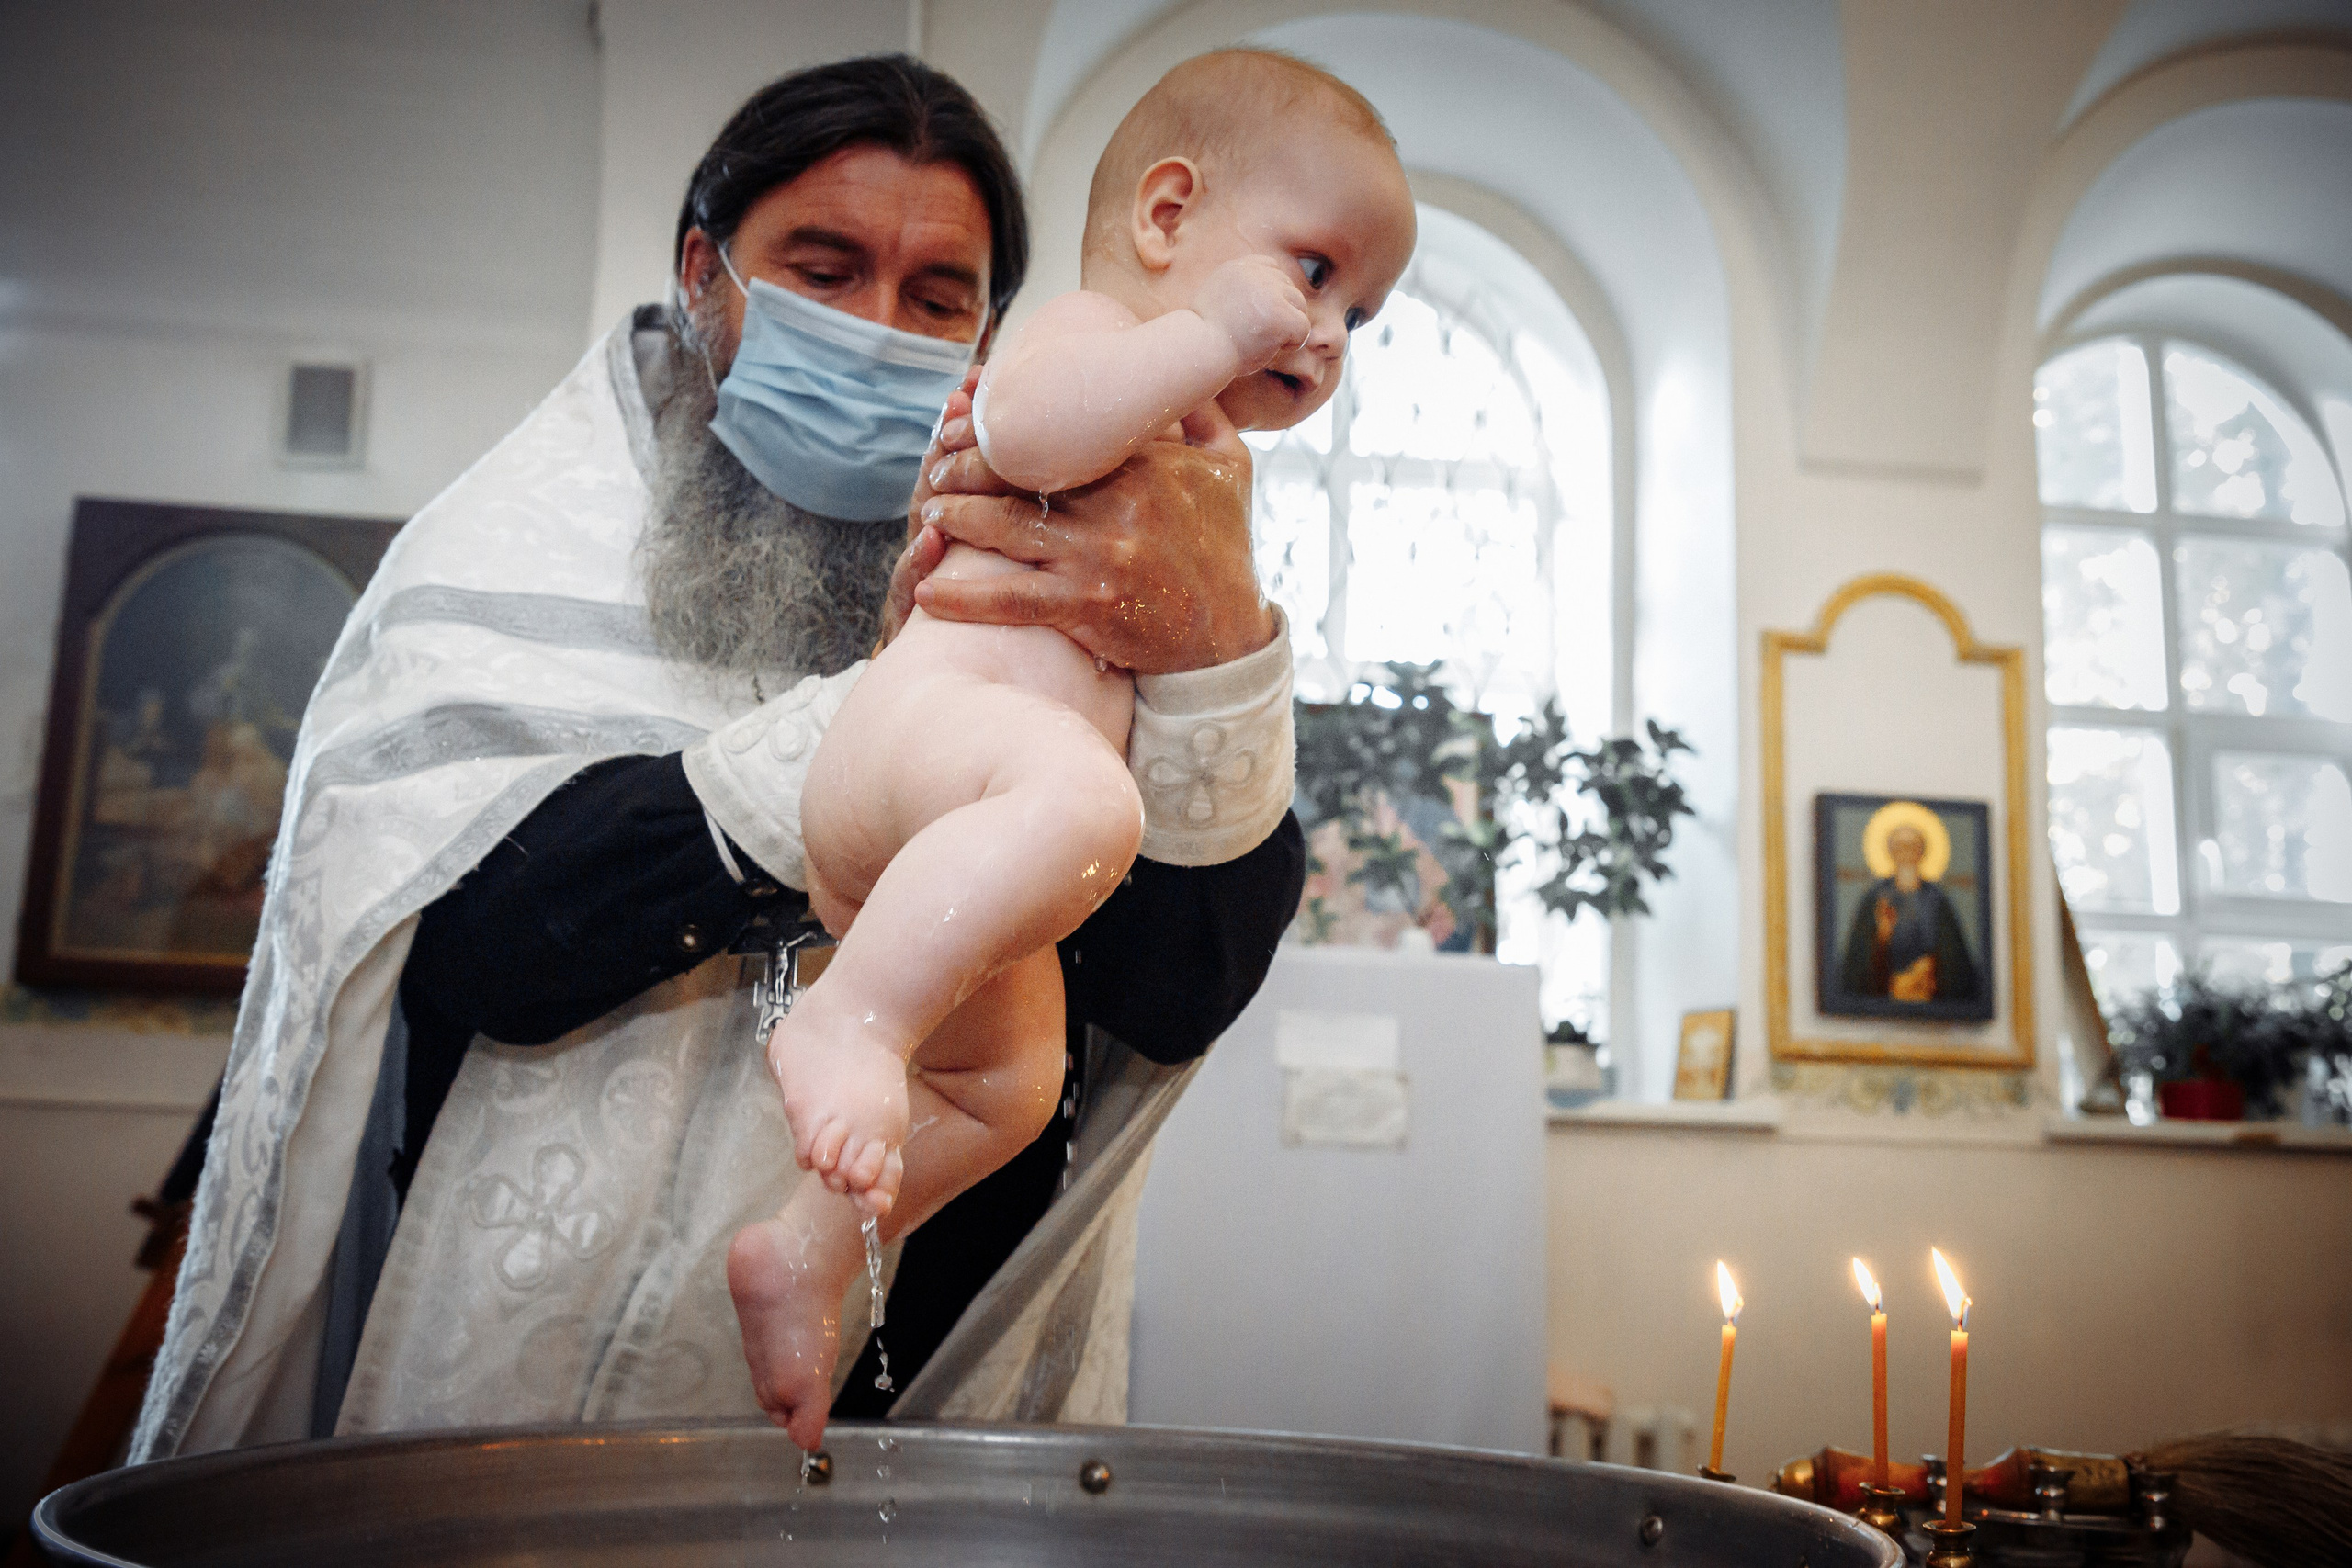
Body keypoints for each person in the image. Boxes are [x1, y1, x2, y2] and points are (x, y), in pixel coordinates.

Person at [129, 54, 1305, 1462]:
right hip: (525, 1386)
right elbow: (459, 946)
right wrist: (864, 757)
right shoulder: (514, 541)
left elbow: (1184, 983)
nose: (879, 328)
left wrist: (1215, 638)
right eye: (823, 267)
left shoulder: (1117, 550)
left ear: (994, 325)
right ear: (704, 270)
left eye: (937, 297)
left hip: (896, 1404)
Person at [727, 50, 1414, 1450]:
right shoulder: (1092, 330)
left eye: (1365, 315)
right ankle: (849, 1019)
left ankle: (799, 1248)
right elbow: (1026, 428)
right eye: (1315, 273)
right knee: (1082, 793)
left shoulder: (1182, 427)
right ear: (1168, 217)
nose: (1331, 332)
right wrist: (1208, 338)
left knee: (1005, 1089)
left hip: (966, 845)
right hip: (923, 757)